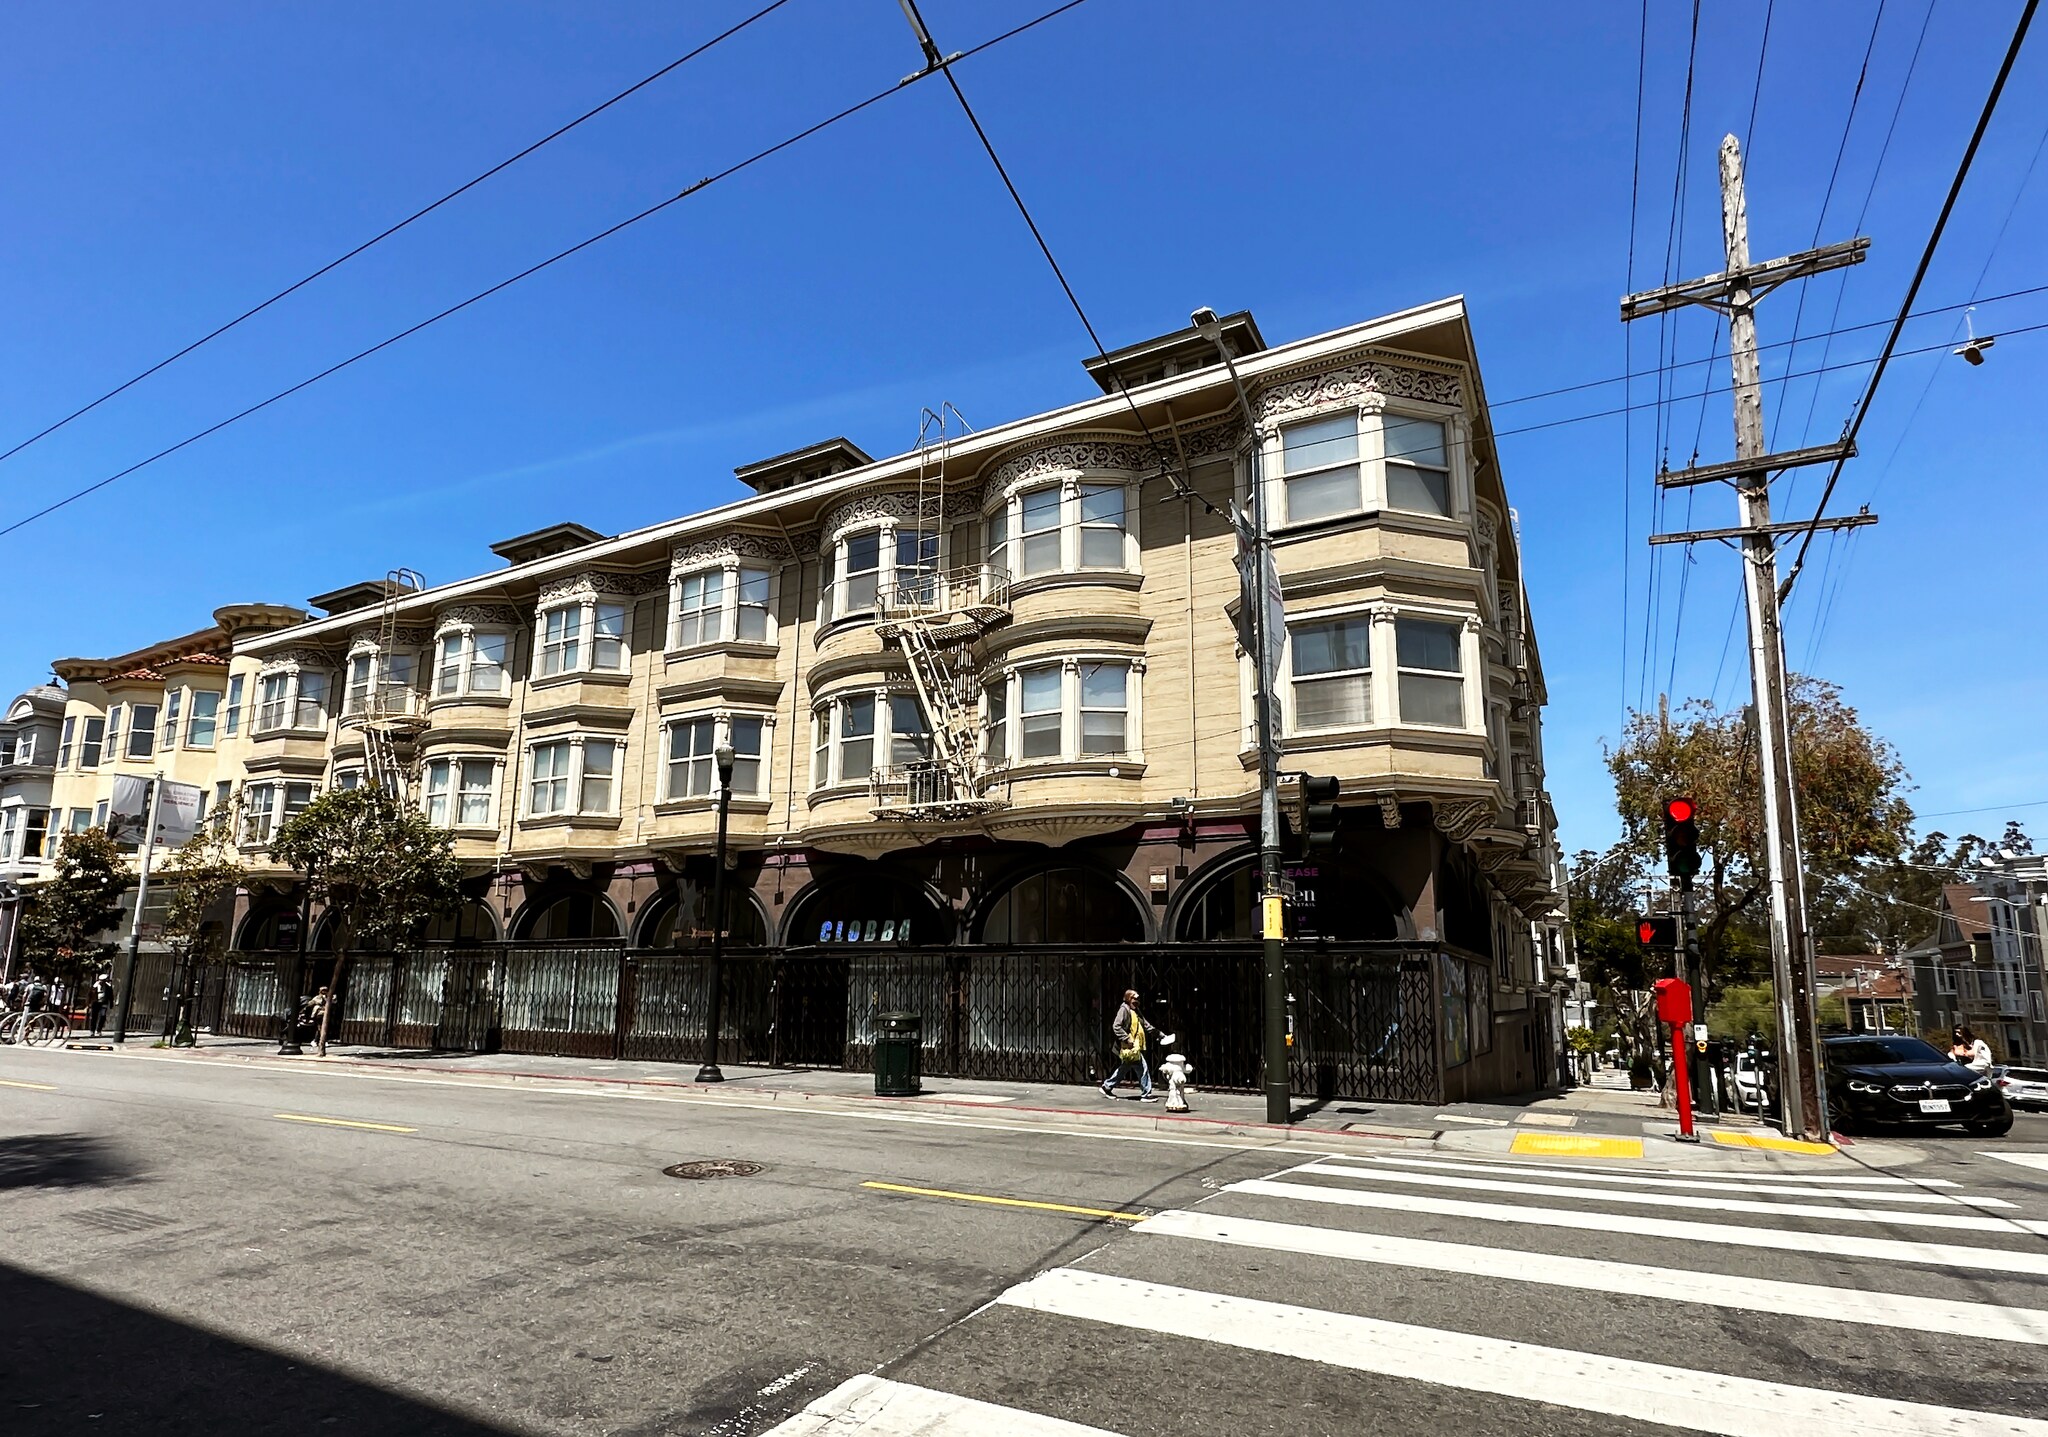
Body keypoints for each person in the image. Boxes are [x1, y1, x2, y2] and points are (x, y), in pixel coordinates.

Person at [1101, 989, 1160, 1101]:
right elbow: (1116, 1026)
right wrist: (1127, 1038)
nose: (1137, 1001)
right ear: (1128, 999)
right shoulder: (1124, 1010)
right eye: (1134, 998)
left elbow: (1146, 1025)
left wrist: (1160, 1034)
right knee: (1143, 1068)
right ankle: (1146, 1094)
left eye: (1138, 999)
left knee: (1124, 1068)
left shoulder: (1136, 1011)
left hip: (1134, 1046)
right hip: (1129, 1046)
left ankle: (1107, 1086)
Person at [88, 972, 113, 1037]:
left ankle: (99, 1030)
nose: (101, 983)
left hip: (103, 1003)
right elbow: (89, 995)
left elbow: (111, 996)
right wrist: (88, 1003)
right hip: (95, 1003)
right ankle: (92, 1031)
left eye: (103, 981)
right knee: (94, 1017)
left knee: (102, 1016)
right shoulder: (94, 986)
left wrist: (111, 1004)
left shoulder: (108, 987)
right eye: (101, 981)